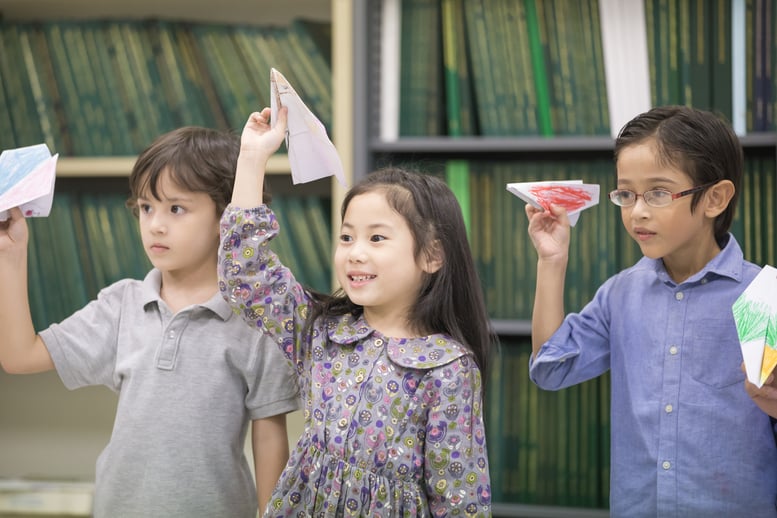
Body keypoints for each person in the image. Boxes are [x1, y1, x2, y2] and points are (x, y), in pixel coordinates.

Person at [0, 126, 300, 517]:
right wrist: (12, 255)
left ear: (226, 218)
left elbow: (269, 433)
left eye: (176, 209)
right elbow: (18, 356)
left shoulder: (256, 321)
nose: (155, 224)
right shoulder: (121, 305)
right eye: (146, 207)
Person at [218, 106, 493, 516]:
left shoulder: (449, 368)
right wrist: (253, 157)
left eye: (377, 237)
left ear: (432, 255)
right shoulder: (321, 332)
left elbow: (460, 500)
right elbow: (245, 274)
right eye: (347, 237)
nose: (355, 253)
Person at [524, 105, 777, 516]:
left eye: (658, 193)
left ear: (715, 197)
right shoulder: (621, 294)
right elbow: (551, 369)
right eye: (626, 194)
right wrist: (551, 262)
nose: (637, 211)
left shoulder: (761, 296)